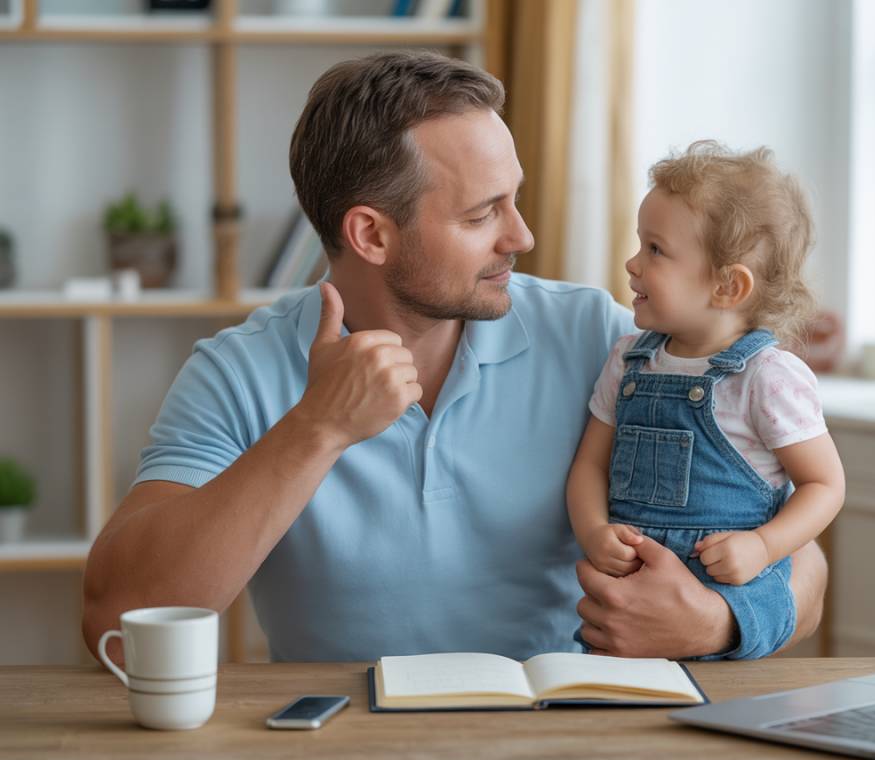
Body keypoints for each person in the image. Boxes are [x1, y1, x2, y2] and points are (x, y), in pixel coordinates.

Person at [82, 52, 828, 663]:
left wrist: (718, 623)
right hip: (346, 742)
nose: (521, 236)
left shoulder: (611, 345)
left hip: (567, 732)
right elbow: (114, 618)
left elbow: (808, 570)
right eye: (482, 214)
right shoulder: (238, 372)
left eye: (514, 199)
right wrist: (316, 429)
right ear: (372, 235)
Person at [567, 141, 845, 659]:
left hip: (732, 592)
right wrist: (594, 530)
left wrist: (763, 545)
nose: (632, 262)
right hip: (627, 600)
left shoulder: (768, 378)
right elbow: (589, 465)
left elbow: (824, 484)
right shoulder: (628, 360)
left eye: (655, 250)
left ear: (728, 286)